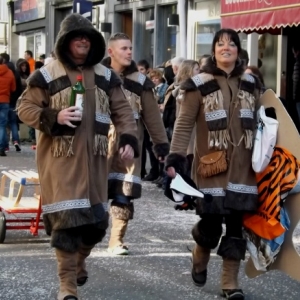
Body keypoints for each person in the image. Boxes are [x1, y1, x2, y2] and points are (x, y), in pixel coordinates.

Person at [17, 14, 139, 300]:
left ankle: (79, 262)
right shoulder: (46, 74)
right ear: (65, 42)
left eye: (87, 36)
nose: (83, 40)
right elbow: (25, 109)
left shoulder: (107, 76)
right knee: (66, 225)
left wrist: (128, 138)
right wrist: (53, 116)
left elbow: (123, 112)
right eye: (77, 36)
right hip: (59, 164)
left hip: (96, 162)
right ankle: (67, 288)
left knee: (95, 226)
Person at [165, 29, 261, 300]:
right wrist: (175, 159)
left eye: (231, 44)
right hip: (210, 168)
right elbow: (183, 125)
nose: (226, 48)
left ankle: (229, 282)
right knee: (210, 224)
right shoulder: (198, 83)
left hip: (244, 169)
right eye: (220, 44)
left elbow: (265, 123)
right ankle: (200, 254)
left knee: (235, 225)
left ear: (239, 51)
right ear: (214, 50)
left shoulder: (251, 83)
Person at [102, 33, 169, 255]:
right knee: (93, 193)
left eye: (130, 48)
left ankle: (116, 240)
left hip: (130, 147)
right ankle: (86, 239)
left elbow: (153, 117)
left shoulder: (141, 82)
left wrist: (161, 146)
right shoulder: (97, 76)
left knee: (123, 193)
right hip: (99, 145)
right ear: (111, 51)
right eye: (123, 48)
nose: (129, 52)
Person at [0, 56, 16, 156]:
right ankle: (2, 147)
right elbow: (13, 88)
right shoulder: (9, 72)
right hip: (5, 100)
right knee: (2, 125)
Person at [292, 43, 300, 121]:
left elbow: (296, 81)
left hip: (299, 96)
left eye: (294, 52)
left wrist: (294, 96)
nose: (293, 55)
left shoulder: (297, 64)